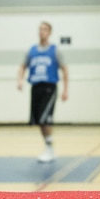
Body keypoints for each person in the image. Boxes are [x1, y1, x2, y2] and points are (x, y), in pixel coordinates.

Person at [17, 21, 68, 163]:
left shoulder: (55, 50)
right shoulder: (32, 50)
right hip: (35, 87)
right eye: (40, 29)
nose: (41, 31)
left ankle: (49, 149)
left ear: (50, 32)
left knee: (45, 119)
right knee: (39, 120)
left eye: (45, 29)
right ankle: (48, 146)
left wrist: (65, 90)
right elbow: (22, 66)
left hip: (49, 88)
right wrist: (20, 80)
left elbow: (64, 69)